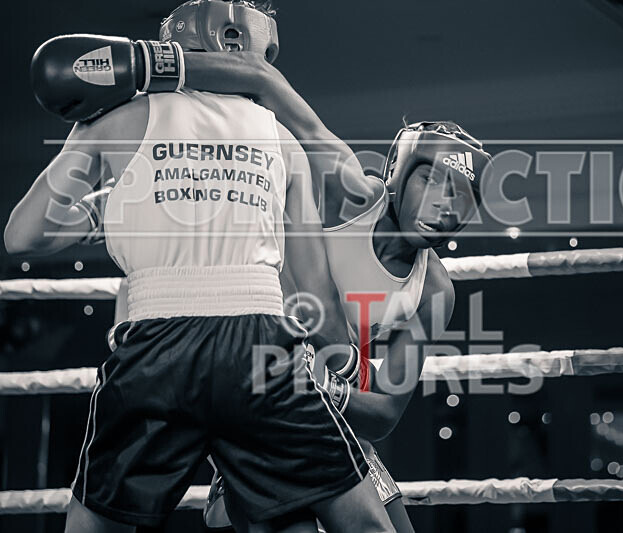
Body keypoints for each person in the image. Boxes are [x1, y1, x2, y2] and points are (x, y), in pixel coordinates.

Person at [6, 1, 396, 531]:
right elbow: (317, 298)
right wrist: (343, 370)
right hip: (260, 349)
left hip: (154, 351)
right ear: (236, 41)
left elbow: (21, 235)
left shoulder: (116, 118)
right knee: (367, 524)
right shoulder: (281, 139)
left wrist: (110, 206)